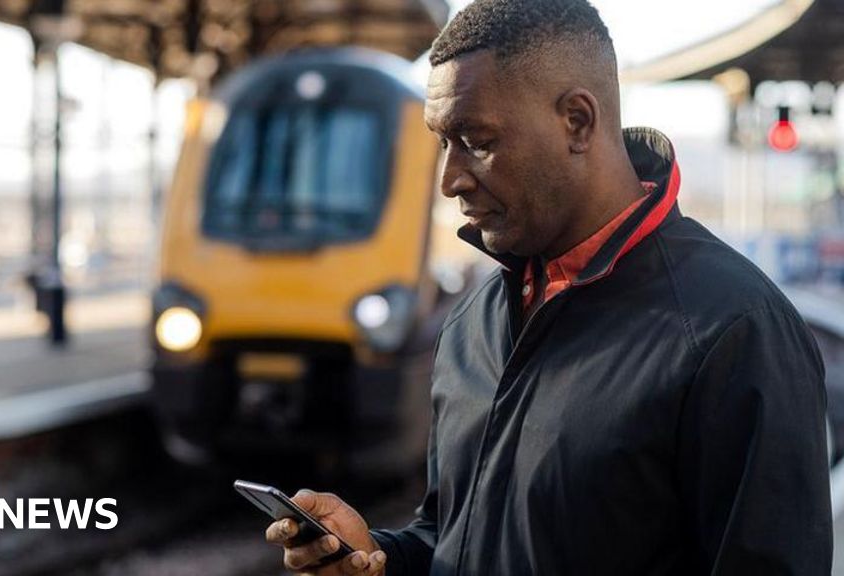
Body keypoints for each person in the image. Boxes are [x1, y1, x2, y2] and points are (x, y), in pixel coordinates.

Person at [263, 0, 833, 573]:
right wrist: (381, 557)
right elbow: (452, 536)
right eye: (443, 142)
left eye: (477, 140)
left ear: (577, 122)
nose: (450, 180)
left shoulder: (734, 331)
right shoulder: (473, 325)